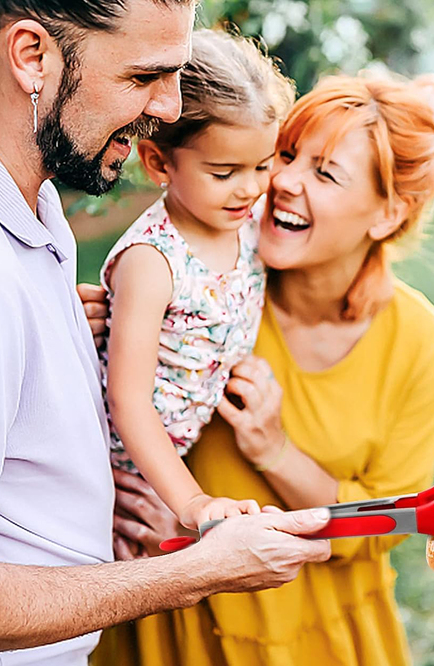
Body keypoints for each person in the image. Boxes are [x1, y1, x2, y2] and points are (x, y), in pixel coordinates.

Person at [0, 3, 331, 666]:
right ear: (31, 55)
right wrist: (197, 573)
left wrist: (50, 333)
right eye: (144, 76)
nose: (171, 109)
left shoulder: (0, 183)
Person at [83, 72, 434, 666]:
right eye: (286, 154)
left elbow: (382, 525)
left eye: (325, 172)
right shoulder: (208, 278)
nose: (281, 184)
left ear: (386, 214)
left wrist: (274, 449)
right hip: (191, 660)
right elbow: (122, 380)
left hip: (327, 662)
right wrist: (87, 323)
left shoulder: (416, 339)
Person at [99, 29, 295, 539]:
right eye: (224, 172)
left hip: (169, 458)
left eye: (262, 166)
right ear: (159, 162)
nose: (250, 188)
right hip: (112, 464)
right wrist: (191, 499)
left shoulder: (247, 228)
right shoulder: (153, 260)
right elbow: (128, 399)